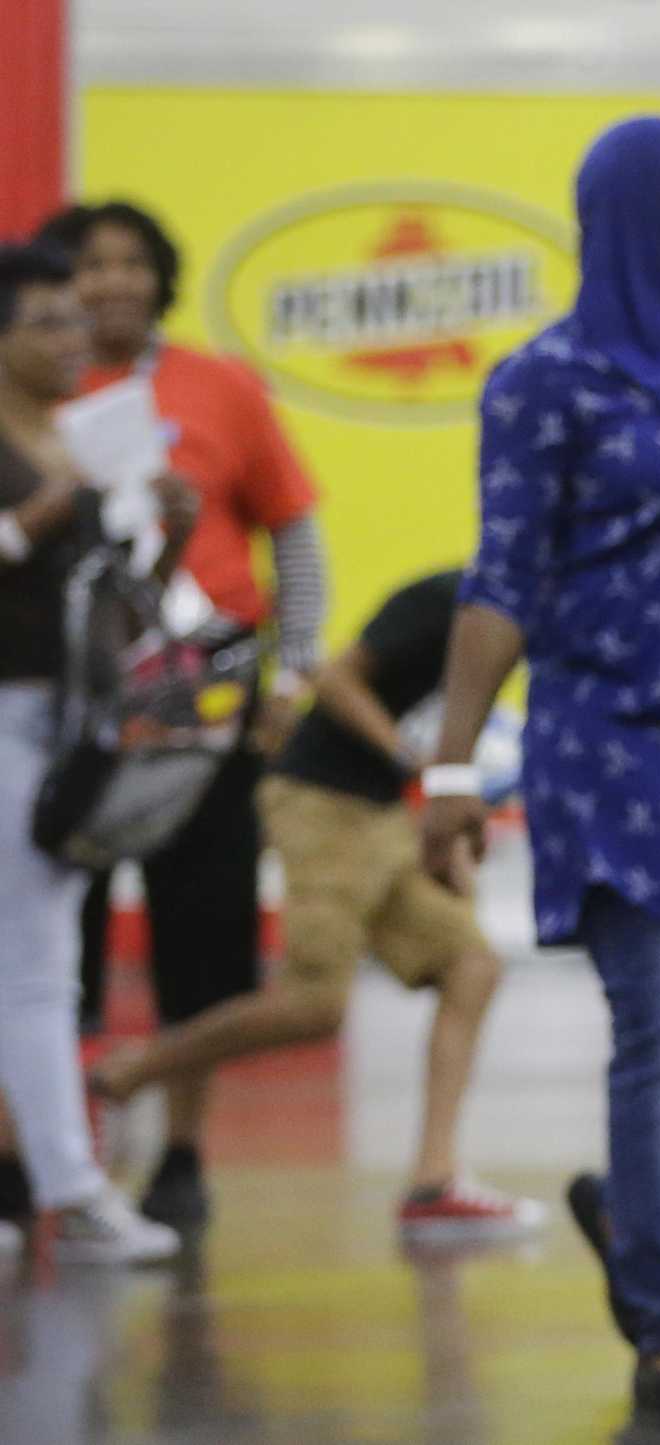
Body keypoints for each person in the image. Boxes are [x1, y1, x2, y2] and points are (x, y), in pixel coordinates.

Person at [418, 115, 660, 1421]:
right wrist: (454, 769)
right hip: (612, 746)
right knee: (658, 1027)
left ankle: (655, 1222)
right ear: (653, 219)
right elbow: (502, 581)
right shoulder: (546, 381)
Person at [85, 569, 543, 1243]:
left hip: (380, 813)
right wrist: (409, 760)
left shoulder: (518, 615)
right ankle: (132, 1070)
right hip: (322, 800)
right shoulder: (446, 597)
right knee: (315, 1002)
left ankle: (433, 1179)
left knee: (471, 963)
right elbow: (334, 677)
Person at [31, 200, 329, 1231]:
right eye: (87, 266)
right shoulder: (31, 389)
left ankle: (184, 1151)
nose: (109, 283)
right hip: (68, 696)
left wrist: (293, 671)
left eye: (129, 264)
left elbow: (292, 533)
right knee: (52, 923)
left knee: (198, 921)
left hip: (206, 695)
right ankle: (51, 1149)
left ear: (160, 276)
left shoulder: (219, 385)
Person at [0, 242, 191, 1265]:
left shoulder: (81, 438)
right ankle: (69, 1187)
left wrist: (161, 536)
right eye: (51, 322)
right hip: (8, 717)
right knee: (32, 962)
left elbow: (121, 604)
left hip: (65, 722)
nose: (77, 338)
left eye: (80, 321)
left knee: (37, 953)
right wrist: (34, 520)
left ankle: (57, 1182)